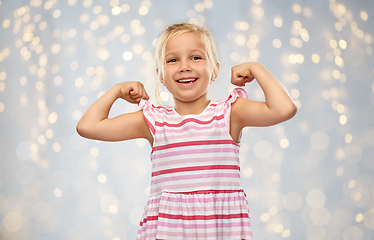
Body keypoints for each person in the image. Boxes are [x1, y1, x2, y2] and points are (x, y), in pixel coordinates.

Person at [77, 23, 297, 240]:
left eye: (195, 57)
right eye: (172, 60)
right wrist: (117, 90)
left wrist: (255, 68)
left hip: (219, 228)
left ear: (215, 70)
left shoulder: (230, 113)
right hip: (170, 230)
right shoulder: (154, 121)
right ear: (160, 75)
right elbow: (88, 126)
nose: (184, 66)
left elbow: (284, 109)